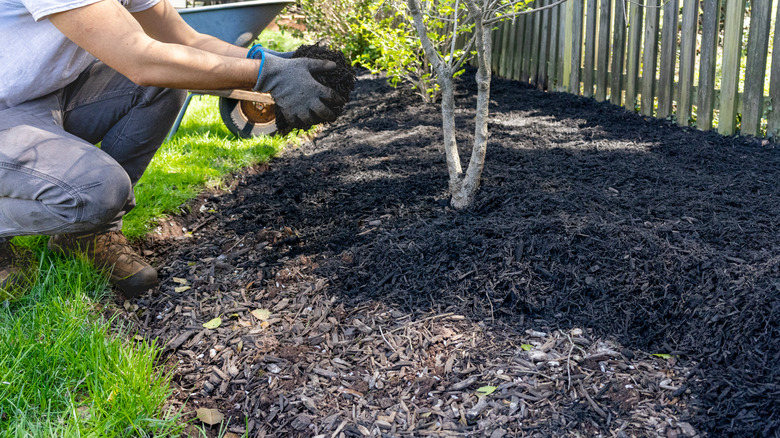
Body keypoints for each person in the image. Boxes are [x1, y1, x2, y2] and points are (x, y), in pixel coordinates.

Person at [0, 0, 345, 298]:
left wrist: (274, 61)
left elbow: (187, 40)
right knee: (97, 190)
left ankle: (85, 235)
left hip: (43, 96)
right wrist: (264, 75)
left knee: (166, 85)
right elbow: (142, 60)